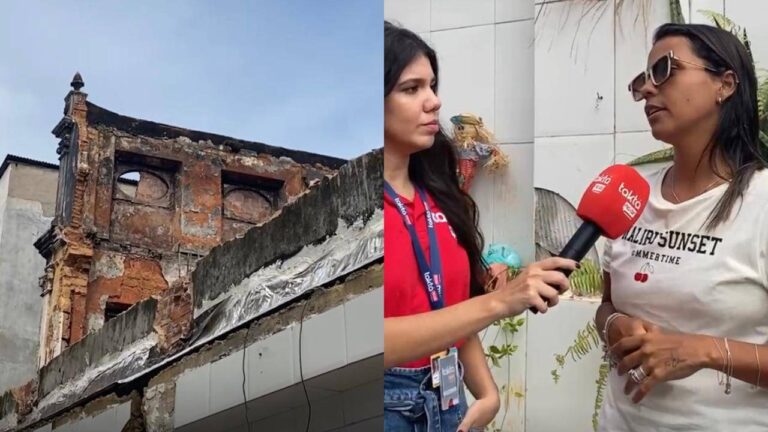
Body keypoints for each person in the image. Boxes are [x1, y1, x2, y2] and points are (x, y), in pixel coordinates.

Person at [383, 21, 577, 432]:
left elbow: (450, 309)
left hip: (448, 399)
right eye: (411, 88)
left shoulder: (439, 195)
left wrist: (488, 394)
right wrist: (500, 301)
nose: (434, 101)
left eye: (432, 85)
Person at [596, 23, 768, 431]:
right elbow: (607, 303)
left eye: (664, 70)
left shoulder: (762, 203)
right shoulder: (630, 197)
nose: (648, 90)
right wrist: (613, 324)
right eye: (642, 80)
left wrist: (707, 351)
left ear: (724, 84)